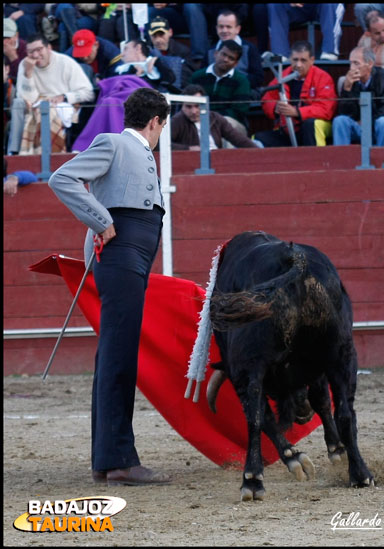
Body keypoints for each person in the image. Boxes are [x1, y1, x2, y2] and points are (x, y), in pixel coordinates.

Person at [48, 87, 171, 486]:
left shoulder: (132, 151)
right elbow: (62, 178)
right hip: (120, 257)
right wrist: (101, 221)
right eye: (162, 128)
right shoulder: (114, 143)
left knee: (115, 354)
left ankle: (106, 459)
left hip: (128, 258)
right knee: (119, 356)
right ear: (155, 122)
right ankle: (120, 460)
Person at [7, 33, 95, 155]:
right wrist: (28, 74)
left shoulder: (66, 62)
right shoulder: (25, 65)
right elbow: (26, 98)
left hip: (62, 104)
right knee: (18, 103)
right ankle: (15, 151)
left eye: (39, 49)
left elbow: (89, 93)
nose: (35, 55)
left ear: (48, 48)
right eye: (31, 52)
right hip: (36, 103)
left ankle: (47, 154)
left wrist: (64, 97)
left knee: (45, 109)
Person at [255, 40, 337, 147]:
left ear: (312, 60)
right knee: (257, 139)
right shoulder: (282, 75)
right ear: (290, 59)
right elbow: (267, 99)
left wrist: (297, 112)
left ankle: (316, 161)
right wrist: (275, 108)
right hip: (287, 129)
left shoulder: (322, 77)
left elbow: (326, 109)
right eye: (295, 60)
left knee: (311, 125)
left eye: (303, 60)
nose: (298, 64)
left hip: (314, 126)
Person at [332, 46, 384, 146]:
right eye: (350, 63)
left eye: (356, 63)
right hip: (362, 127)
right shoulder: (351, 81)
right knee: (340, 121)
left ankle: (381, 159)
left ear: (369, 64)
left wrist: (366, 121)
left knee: (383, 122)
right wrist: (347, 89)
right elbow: (345, 113)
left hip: (381, 127)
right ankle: (341, 158)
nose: (352, 68)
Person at [190, 39, 252, 137]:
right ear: (215, 53)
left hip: (230, 123)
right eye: (223, 54)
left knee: (225, 124)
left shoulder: (241, 81)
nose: (225, 59)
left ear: (236, 63)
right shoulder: (197, 76)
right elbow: (189, 102)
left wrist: (212, 118)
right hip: (199, 119)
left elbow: (239, 111)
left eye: (231, 58)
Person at [171, 84, 260, 150]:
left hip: (218, 159)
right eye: (188, 107)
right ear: (182, 106)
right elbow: (160, 144)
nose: (193, 111)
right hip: (190, 162)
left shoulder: (215, 118)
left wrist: (260, 152)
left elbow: (237, 138)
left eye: (197, 106)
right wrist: (188, 148)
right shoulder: (177, 120)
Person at [207, 9, 264, 96]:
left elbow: (258, 78)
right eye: (221, 27)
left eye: (228, 27)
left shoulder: (250, 48)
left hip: (244, 93)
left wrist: (234, 84)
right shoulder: (210, 51)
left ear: (238, 29)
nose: (224, 30)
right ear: (216, 28)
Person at [264, 3, 345, 61]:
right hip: (295, 8)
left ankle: (330, 50)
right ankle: (280, 53)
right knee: (275, 5)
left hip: (324, 8)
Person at [147, 15, 195, 89]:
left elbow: (186, 78)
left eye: (161, 35)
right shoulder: (146, 51)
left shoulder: (182, 51)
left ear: (170, 32)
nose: (158, 40)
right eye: (154, 36)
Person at [3, 17, 27, 84]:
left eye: (7, 37)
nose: (4, 42)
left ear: (16, 35)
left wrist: (13, 57)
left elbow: (25, 76)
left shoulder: (25, 48)